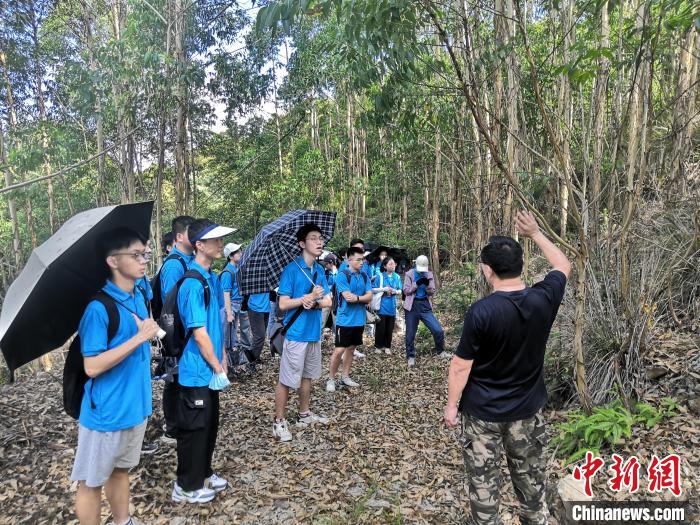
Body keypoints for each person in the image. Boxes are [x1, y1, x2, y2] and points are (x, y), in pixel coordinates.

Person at [444, 210, 571, 525]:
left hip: (482, 415)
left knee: (484, 490)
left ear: (488, 270)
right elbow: (563, 265)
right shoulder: (543, 299)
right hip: (527, 412)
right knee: (532, 489)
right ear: (521, 266)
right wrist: (535, 233)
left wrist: (451, 405)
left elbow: (460, 366)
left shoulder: (481, 312)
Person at [71, 227, 160, 525]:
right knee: (91, 482)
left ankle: (123, 521)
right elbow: (92, 366)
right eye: (135, 255)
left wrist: (147, 334)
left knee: (120, 470)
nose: (143, 260)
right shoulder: (98, 309)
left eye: (144, 254)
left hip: (135, 407)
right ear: (113, 261)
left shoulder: (137, 296)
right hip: (106, 413)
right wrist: (139, 338)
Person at [172, 218, 235, 503]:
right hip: (196, 369)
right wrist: (216, 365)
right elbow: (198, 333)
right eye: (215, 240)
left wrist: (222, 357)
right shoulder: (192, 282)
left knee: (209, 425)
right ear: (199, 245)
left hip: (210, 367)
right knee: (194, 430)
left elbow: (215, 325)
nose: (220, 244)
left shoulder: (212, 277)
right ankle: (186, 485)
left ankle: (204, 474)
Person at [273, 223, 332, 442]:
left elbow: (328, 300)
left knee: (308, 376)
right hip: (296, 333)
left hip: (313, 332)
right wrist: (305, 299)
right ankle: (279, 421)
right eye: (313, 238)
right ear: (301, 243)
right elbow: (283, 303)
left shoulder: (319, 270)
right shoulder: (292, 270)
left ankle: (304, 414)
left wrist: (315, 302)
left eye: (321, 238)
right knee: (287, 379)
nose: (319, 242)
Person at [159, 216, 195, 445]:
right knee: (174, 379)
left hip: (188, 332)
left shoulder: (189, 260)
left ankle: (181, 422)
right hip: (178, 333)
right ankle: (171, 429)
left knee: (183, 378)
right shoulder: (174, 264)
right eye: (192, 232)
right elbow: (171, 303)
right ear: (179, 237)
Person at [326, 246, 372, 392]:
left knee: (351, 349)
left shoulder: (364, 276)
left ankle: (345, 376)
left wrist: (358, 298)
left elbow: (369, 296)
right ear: (349, 260)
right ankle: (331, 379)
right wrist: (362, 298)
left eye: (362, 259)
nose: (361, 262)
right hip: (344, 320)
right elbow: (347, 297)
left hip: (359, 319)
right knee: (339, 350)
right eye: (358, 260)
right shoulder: (342, 275)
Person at [403, 254, 449, 366]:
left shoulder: (429, 274)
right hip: (412, 306)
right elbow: (406, 291)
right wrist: (416, 284)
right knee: (410, 334)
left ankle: (440, 351)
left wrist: (428, 285)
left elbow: (432, 292)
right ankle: (410, 356)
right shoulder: (409, 274)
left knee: (437, 330)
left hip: (425, 305)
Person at [219, 243, 252, 364]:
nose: (241, 253)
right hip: (230, 306)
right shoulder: (227, 272)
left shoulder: (236, 269)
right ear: (230, 256)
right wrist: (228, 313)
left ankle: (231, 362)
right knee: (226, 336)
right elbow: (226, 294)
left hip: (237, 305)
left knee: (232, 335)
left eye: (240, 251)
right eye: (237, 252)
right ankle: (224, 364)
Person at [373, 256, 402, 354]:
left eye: (394, 264)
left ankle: (387, 346)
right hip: (381, 306)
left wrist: (395, 291)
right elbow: (373, 289)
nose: (393, 265)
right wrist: (383, 289)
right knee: (380, 327)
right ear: (385, 266)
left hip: (392, 306)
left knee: (390, 328)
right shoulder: (380, 276)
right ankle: (378, 346)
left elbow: (400, 290)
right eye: (390, 264)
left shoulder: (397, 277)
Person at [247, 290, 271, 363]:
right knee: (259, 337)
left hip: (266, 308)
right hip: (255, 309)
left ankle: (255, 357)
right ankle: (251, 359)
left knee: (260, 336)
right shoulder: (254, 282)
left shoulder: (269, 282)